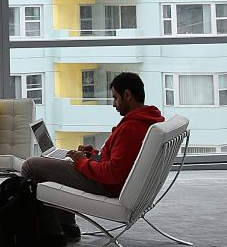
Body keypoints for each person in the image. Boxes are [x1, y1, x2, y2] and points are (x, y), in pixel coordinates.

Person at [21, 72, 164, 242]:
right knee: (53, 163)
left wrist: (82, 162)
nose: (114, 104)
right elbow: (119, 161)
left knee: (30, 166)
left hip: (106, 185)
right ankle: (66, 226)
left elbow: (112, 173)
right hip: (112, 181)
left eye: (115, 98)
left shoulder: (132, 128)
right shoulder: (147, 120)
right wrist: (92, 154)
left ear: (127, 95)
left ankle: (50, 231)